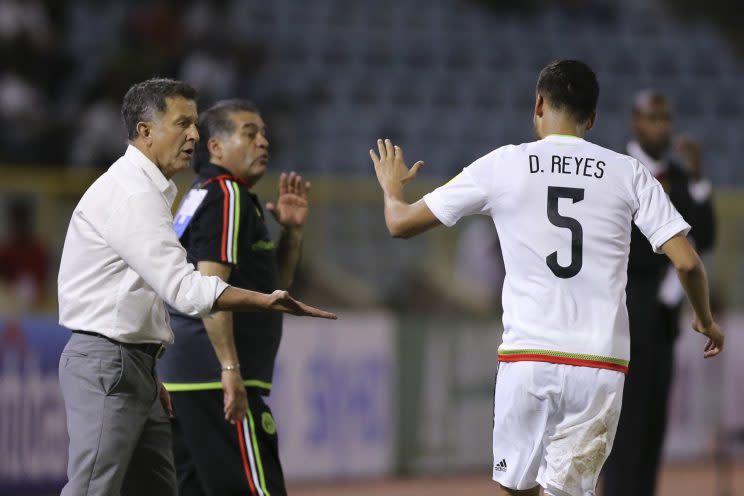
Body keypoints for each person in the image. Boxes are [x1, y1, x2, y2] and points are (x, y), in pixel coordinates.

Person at [368, 60, 724, 496]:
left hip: (527, 360)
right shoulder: (628, 172)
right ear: (592, 119)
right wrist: (705, 319)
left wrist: (390, 189)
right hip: (599, 364)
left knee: (516, 489)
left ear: (538, 104)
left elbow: (400, 223)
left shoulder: (504, 164)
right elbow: (687, 263)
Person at [57, 78, 335, 496]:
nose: (193, 134)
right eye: (183, 123)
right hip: (113, 364)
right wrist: (256, 319)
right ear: (145, 131)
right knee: (93, 489)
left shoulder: (163, 192)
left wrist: (153, 370)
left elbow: (144, 289)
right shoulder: (150, 195)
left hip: (139, 366)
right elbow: (189, 289)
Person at [156, 99, 306, 495]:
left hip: (185, 379)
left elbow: (272, 291)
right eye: (249, 132)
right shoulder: (228, 195)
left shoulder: (201, 194)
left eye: (264, 133)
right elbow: (210, 290)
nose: (263, 142)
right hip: (213, 379)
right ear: (216, 148)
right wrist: (229, 369)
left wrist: (290, 234)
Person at [602, 90, 716, 496]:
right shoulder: (616, 171)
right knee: (625, 429)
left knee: (652, 427)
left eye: (666, 118)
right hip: (625, 311)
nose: (662, 127)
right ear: (636, 121)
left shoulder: (679, 178)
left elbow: (707, 237)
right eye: (653, 118)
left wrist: (699, 179)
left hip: (663, 319)